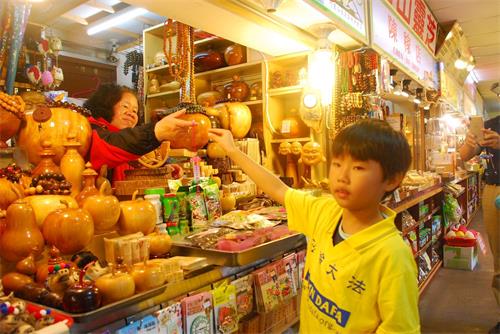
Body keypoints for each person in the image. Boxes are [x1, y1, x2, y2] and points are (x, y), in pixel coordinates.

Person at [209, 119, 419, 333]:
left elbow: (400, 328)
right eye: (337, 164)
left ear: (392, 180)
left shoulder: (393, 256)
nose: (342, 177)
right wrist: (233, 150)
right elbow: (279, 190)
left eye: (358, 167)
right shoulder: (324, 212)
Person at [83, 83, 193, 182]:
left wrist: (164, 170)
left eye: (135, 111)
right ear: (106, 105)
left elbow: (138, 170)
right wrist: (155, 132)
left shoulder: (131, 146)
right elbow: (112, 145)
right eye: (125, 106)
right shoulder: (90, 130)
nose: (131, 113)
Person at [458, 115, 499, 332]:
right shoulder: (490, 124)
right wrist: (468, 143)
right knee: (499, 258)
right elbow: (463, 156)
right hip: (494, 189)